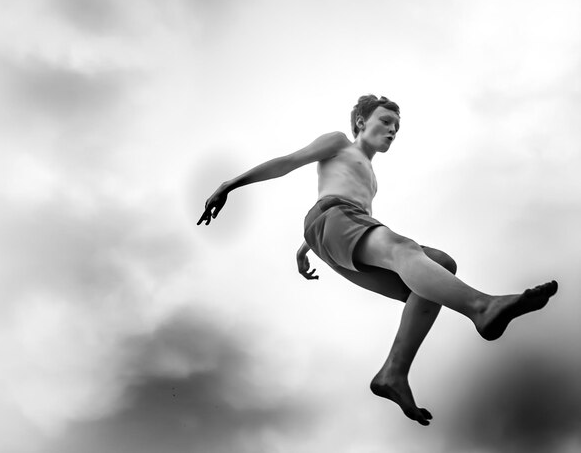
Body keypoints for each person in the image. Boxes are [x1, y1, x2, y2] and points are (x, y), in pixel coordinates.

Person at [197, 94, 558, 426]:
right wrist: (231, 183)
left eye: (396, 127)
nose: (392, 130)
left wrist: (308, 246)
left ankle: (394, 372)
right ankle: (482, 307)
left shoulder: (370, 177)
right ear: (359, 123)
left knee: (439, 266)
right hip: (333, 218)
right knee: (401, 247)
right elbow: (290, 164)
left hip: (340, 229)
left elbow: (351, 218)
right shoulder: (339, 142)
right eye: (385, 121)